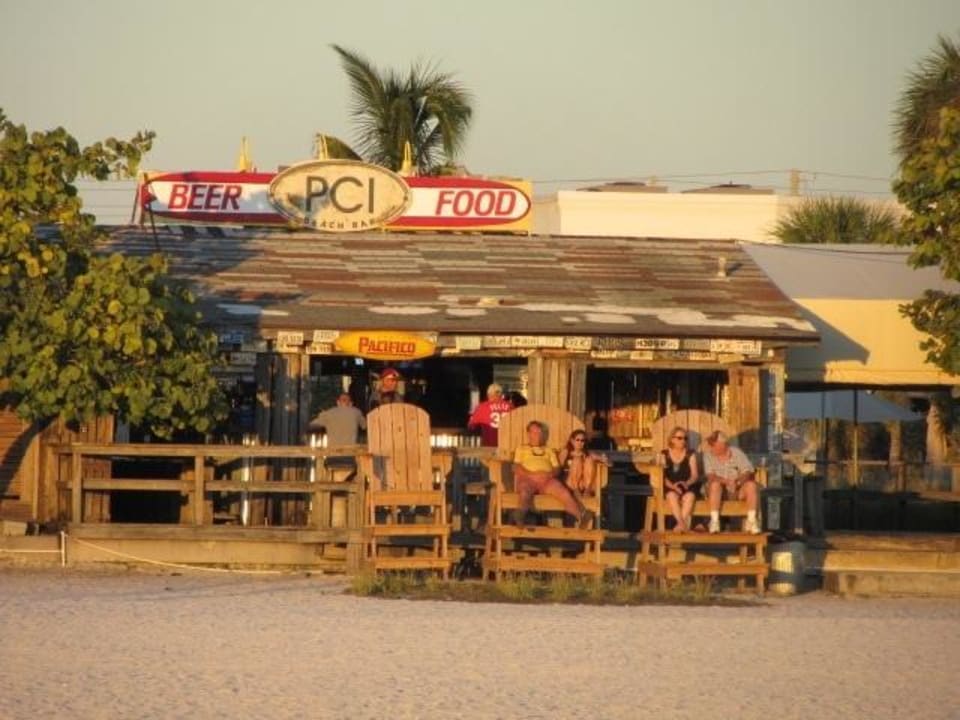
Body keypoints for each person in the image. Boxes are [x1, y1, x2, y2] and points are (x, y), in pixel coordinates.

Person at [512, 420, 595, 530]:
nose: (537, 435)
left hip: (547, 480)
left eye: (539, 433)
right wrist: (532, 475)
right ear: (529, 434)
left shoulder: (548, 450)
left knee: (564, 493)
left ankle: (581, 517)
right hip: (528, 479)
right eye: (534, 432)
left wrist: (549, 474)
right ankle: (520, 516)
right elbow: (515, 467)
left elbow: (557, 468)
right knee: (525, 491)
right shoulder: (521, 449)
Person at [702, 430, 760, 534]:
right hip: (718, 492)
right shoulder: (708, 455)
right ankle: (714, 521)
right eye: (710, 444)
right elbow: (710, 476)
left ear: (722, 445)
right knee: (715, 485)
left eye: (713, 444)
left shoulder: (736, 453)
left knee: (751, 485)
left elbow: (747, 471)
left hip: (736, 489)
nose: (711, 447)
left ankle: (751, 521)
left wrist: (738, 482)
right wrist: (726, 481)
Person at [308, 393, 366, 469]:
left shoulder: (328, 413)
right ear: (351, 403)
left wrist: (321, 416)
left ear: (338, 402)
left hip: (332, 458)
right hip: (350, 458)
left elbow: (312, 425)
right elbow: (364, 426)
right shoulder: (356, 412)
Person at [659, 426, 700, 532]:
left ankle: (679, 526)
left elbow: (695, 475)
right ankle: (682, 524)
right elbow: (662, 476)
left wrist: (686, 483)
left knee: (690, 496)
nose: (683, 441)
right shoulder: (664, 454)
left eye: (685, 438)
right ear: (672, 439)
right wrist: (673, 486)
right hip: (670, 485)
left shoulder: (690, 454)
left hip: (686, 485)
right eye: (679, 438)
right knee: (672, 495)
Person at [558, 429, 609, 499]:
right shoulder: (566, 452)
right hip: (569, 482)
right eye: (577, 440)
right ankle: (576, 491)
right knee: (577, 460)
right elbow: (558, 468)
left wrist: (605, 460)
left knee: (589, 460)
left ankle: (587, 490)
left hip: (584, 484)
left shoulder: (587, 453)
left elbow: (609, 463)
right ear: (572, 441)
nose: (580, 442)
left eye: (582, 440)